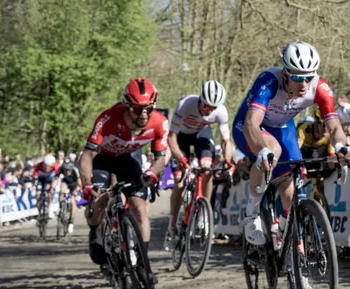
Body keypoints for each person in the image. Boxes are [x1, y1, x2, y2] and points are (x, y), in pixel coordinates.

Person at [236, 42, 350, 262]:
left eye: (309, 77)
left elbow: (335, 127)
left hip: (283, 128)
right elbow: (252, 123)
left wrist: (340, 147)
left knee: (291, 184)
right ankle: (251, 213)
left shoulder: (320, 88)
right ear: (285, 73)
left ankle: (283, 230)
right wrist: (262, 149)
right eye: (298, 78)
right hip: (250, 127)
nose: (304, 84)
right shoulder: (268, 81)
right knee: (272, 150)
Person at [79, 78, 169, 272]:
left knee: (140, 208)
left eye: (149, 108)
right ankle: (96, 227)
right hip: (102, 159)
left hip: (128, 158)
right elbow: (87, 156)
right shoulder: (108, 119)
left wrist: (152, 173)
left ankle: (143, 261)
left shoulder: (160, 122)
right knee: (100, 201)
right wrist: (87, 184)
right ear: (127, 107)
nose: (144, 114)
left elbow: (161, 158)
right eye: (137, 109)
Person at [164, 80, 234, 249]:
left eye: (212, 108)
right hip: (180, 136)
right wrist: (182, 160)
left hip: (202, 133)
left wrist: (228, 162)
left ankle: (204, 212)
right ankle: (172, 224)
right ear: (200, 99)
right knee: (180, 182)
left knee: (207, 169)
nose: (208, 110)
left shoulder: (221, 112)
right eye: (206, 105)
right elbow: (171, 138)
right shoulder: (185, 104)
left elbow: (226, 142)